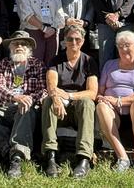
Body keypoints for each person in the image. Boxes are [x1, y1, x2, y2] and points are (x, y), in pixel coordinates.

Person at [0, 31, 47, 179]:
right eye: (16, 44)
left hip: (27, 107)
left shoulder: (38, 64)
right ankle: (9, 150)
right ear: (11, 47)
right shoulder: (3, 64)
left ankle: (17, 158)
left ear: (29, 49)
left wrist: (27, 99)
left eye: (23, 44)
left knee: (25, 109)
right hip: (5, 106)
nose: (19, 46)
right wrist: (16, 97)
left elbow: (43, 90)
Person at [41, 25, 98, 179]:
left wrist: (68, 95)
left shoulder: (89, 61)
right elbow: (51, 85)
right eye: (70, 39)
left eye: (77, 39)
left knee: (87, 102)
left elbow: (92, 93)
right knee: (48, 101)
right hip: (60, 109)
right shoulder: (55, 60)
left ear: (83, 41)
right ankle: (50, 156)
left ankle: (84, 158)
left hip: (78, 107)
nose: (73, 42)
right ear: (64, 41)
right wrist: (55, 97)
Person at [96, 31, 134, 172]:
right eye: (120, 46)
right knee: (101, 107)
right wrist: (102, 98)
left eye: (127, 45)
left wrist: (119, 101)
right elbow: (99, 91)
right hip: (113, 112)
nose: (123, 49)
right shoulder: (109, 65)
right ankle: (122, 157)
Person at [17, 0, 66, 66]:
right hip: (33, 33)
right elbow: (27, 15)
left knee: (51, 64)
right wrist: (44, 28)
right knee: (34, 64)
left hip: (52, 33)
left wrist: (53, 29)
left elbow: (60, 14)